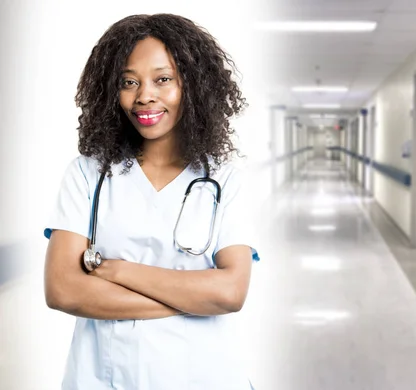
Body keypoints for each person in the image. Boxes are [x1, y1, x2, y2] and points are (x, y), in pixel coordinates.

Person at [43, 13, 259, 390]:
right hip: (104, 378)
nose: (144, 95)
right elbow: (62, 289)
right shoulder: (88, 174)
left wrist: (117, 271)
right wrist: (191, 298)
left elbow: (229, 292)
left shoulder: (224, 181)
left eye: (163, 79)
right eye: (129, 82)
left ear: (192, 85)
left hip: (203, 377)